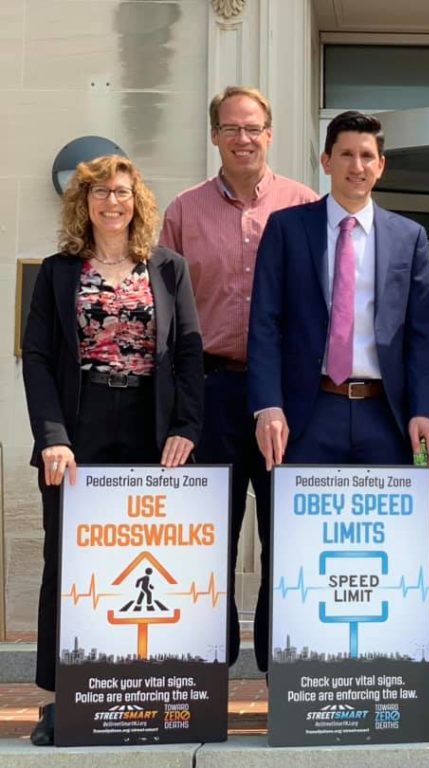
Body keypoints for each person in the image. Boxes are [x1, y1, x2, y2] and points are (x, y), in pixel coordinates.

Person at [22, 155, 204, 746]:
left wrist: (186, 427)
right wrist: (52, 438)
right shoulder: (57, 273)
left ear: (137, 201)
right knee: (70, 562)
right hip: (80, 426)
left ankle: (145, 686)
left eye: (121, 191)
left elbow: (189, 353)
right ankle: (65, 696)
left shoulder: (169, 268)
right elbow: (38, 359)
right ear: (84, 203)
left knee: (149, 558)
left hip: (152, 426)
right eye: (99, 192)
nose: (111, 202)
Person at [159, 86, 319, 673]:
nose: (243, 138)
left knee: (286, 534)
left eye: (253, 128)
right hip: (211, 391)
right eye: (231, 128)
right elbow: (164, 315)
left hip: (286, 397)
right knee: (208, 535)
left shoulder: (304, 205)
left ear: (269, 134)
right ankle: (209, 664)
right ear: (214, 136)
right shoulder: (183, 212)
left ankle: (281, 665)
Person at [247, 110, 429, 472]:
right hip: (307, 412)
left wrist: (422, 410)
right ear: (326, 161)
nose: (357, 166)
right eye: (346, 154)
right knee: (299, 511)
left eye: (367, 156)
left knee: (383, 512)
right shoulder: (287, 228)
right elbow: (264, 323)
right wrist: (268, 404)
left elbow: (423, 335)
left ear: (381, 165)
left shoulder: (409, 237)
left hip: (385, 415)